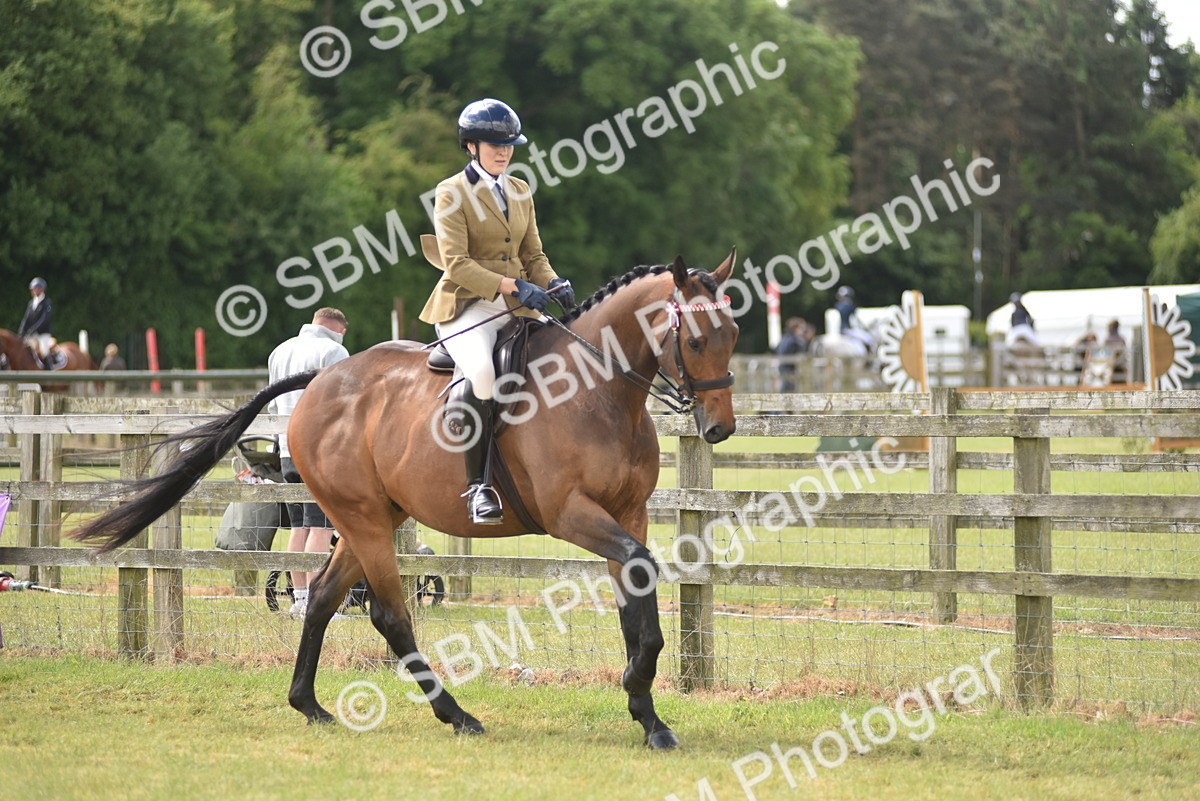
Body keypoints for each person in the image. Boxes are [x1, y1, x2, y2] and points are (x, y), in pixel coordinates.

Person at [419, 98, 574, 525]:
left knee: (565, 352)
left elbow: (533, 253)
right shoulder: (451, 192)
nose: (503, 152)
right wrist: (512, 285)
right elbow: (457, 263)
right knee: (484, 376)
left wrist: (553, 283)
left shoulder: (520, 189)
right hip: (466, 304)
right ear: (472, 146)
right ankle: (478, 486)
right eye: (493, 144)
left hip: (516, 303)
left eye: (509, 145)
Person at [267, 307, 350, 618]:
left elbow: (274, 404)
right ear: (339, 329)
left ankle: (299, 599)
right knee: (320, 525)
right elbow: (344, 403)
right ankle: (317, 604)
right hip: (320, 451)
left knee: (298, 526)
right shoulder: (334, 350)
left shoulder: (279, 351)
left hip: (287, 447)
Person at [17, 277, 53, 368]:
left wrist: (33, 329)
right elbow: (26, 319)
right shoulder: (31, 304)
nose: (34, 291)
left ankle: (49, 372)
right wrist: (21, 332)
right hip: (32, 334)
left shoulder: (47, 303)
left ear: (42, 289)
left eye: (36, 289)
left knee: (44, 351)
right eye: (33, 289)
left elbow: (45, 319)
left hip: (43, 334)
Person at [775, 317, 810, 392]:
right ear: (796, 328)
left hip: (782, 370)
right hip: (789, 372)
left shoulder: (784, 338)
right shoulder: (794, 341)